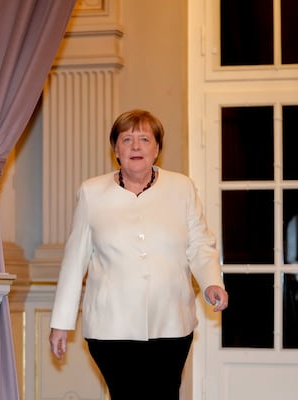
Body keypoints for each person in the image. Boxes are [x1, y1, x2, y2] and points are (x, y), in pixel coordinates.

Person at [48, 109, 228, 399]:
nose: (135, 146)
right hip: (111, 326)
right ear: (115, 149)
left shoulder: (182, 187)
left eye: (144, 138)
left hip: (171, 321)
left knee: (165, 394)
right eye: (126, 138)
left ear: (157, 149)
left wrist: (211, 282)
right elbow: (74, 261)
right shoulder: (92, 193)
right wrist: (61, 323)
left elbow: (200, 243)